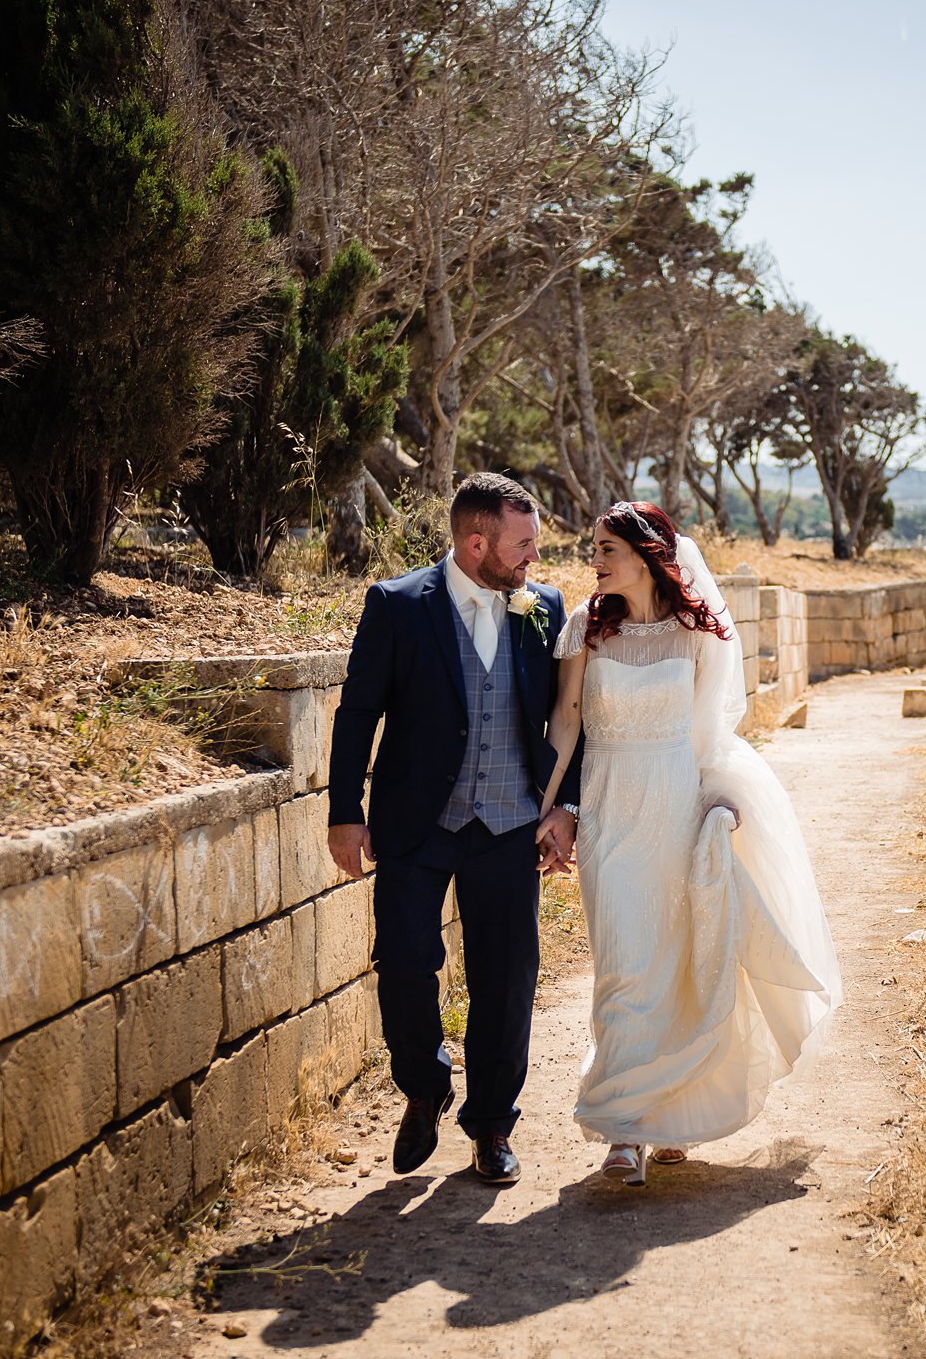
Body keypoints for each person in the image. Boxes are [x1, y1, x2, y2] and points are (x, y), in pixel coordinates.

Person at [537, 501, 841, 1186]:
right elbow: (565, 721)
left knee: (675, 964)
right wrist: (548, 804)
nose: (595, 559)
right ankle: (622, 1128)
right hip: (612, 809)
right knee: (623, 963)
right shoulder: (587, 628)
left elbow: (710, 729)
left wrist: (718, 801)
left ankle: (666, 1118)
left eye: (607, 547)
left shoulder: (696, 630)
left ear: (645, 554)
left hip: (676, 806)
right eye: (594, 547)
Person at [325, 473, 581, 1186]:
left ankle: (492, 1123)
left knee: (506, 978)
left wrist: (566, 807)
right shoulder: (399, 605)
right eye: (523, 544)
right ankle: (424, 1083)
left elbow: (572, 718)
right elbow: (357, 713)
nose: (535, 558)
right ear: (477, 544)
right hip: (418, 821)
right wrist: (345, 810)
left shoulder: (543, 607)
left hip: (508, 823)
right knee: (404, 964)